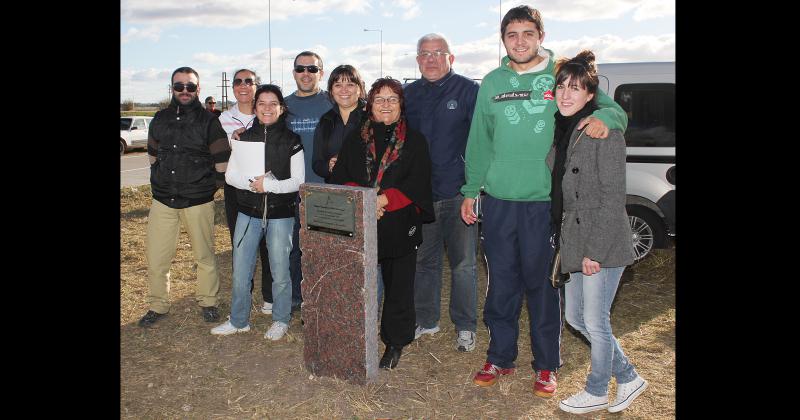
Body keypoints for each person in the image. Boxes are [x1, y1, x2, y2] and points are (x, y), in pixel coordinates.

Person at [459, 5, 628, 398]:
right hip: (498, 200)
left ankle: (547, 364)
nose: (520, 41)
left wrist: (609, 121)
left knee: (542, 286)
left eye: (527, 33)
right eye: (511, 34)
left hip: (545, 204)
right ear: (503, 40)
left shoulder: (561, 76)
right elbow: (479, 141)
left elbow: (613, 109)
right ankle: (500, 355)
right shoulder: (491, 82)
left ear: (541, 36)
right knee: (501, 284)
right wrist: (471, 190)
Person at [548, 51, 647, 415]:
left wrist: (595, 251)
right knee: (575, 318)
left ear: (592, 96)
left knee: (595, 320)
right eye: (561, 87)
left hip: (600, 240)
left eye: (576, 88)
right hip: (574, 236)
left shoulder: (602, 131)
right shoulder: (565, 129)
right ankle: (629, 376)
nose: (567, 94)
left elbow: (611, 198)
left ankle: (595, 390)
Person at [330, 77, 434, 369]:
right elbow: (341, 178)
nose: (386, 105)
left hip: (399, 223)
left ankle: (395, 342)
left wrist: (383, 200)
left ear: (401, 104)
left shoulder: (415, 140)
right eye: (379, 99)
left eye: (392, 99)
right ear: (370, 105)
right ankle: (354, 335)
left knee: (399, 287)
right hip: (362, 221)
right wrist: (366, 201)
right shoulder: (355, 139)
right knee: (356, 285)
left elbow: (418, 182)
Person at [403, 33, 480, 352]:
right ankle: (427, 320)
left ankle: (465, 326)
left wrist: (473, 191)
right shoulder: (407, 94)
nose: (431, 59)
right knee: (425, 261)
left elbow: (481, 142)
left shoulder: (468, 91)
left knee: (463, 265)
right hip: (422, 197)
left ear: (452, 58)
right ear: (417, 60)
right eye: (424, 54)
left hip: (458, 195)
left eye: (438, 53)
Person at [138, 66, 231, 328]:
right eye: (179, 86)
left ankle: (209, 302)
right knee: (157, 257)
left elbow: (222, 161)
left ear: (198, 89)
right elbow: (153, 156)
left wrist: (208, 187)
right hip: (163, 201)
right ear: (172, 89)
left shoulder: (210, 121)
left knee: (204, 256)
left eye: (190, 86)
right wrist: (159, 182)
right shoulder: (159, 119)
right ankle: (158, 304)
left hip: (198, 201)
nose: (185, 91)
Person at [211, 84, 304, 340]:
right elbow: (230, 176)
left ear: (281, 108)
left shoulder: (292, 141)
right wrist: (254, 185)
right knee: (241, 270)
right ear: (255, 108)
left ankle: (281, 319)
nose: (266, 108)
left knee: (280, 271)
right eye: (261, 103)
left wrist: (270, 185)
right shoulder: (243, 138)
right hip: (247, 213)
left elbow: (298, 181)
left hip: (280, 216)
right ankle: (239, 320)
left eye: (272, 103)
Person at [218, 69, 276, 316]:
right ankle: (245, 295)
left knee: (269, 245)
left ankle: (270, 297)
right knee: (242, 243)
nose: (243, 86)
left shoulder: (267, 112)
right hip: (237, 190)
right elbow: (219, 158)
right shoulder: (222, 119)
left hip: (269, 187)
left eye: (248, 81)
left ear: (256, 85)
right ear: (232, 87)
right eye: (238, 82)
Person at [285, 51, 334, 310]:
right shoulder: (283, 106)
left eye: (312, 69)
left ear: (321, 73)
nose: (306, 74)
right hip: (293, 191)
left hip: (326, 190)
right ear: (294, 73)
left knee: (324, 249)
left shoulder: (332, 102)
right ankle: (296, 298)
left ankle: (324, 297)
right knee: (295, 249)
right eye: (301, 69)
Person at [312, 64, 367, 183]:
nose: (344, 90)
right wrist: (328, 166)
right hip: (335, 194)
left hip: (367, 192)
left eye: (350, 85)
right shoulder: (326, 120)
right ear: (331, 91)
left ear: (359, 89)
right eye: (338, 85)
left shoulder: (371, 117)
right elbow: (317, 163)